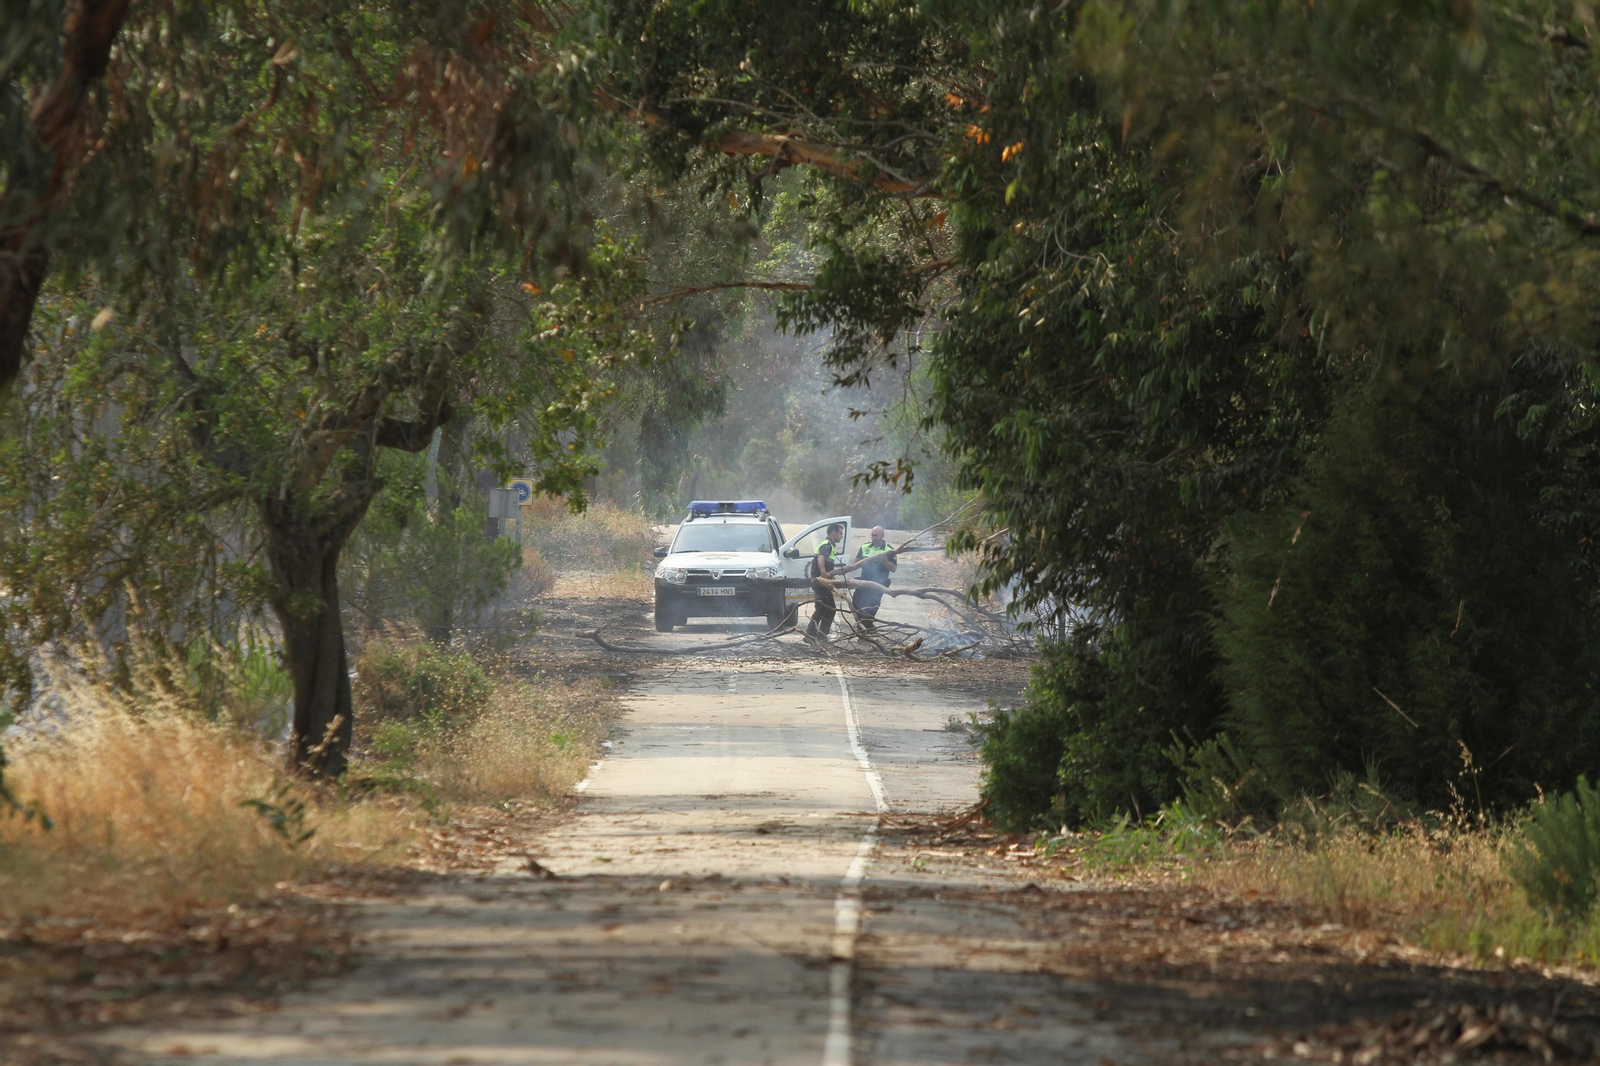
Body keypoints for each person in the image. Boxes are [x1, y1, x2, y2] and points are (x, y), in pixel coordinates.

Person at [851, 525, 899, 630]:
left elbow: (893, 568)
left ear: (882, 535)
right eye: (872, 535)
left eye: (876, 535)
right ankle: (868, 627)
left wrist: (884, 561)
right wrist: (845, 569)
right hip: (863, 581)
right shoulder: (865, 547)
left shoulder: (889, 550)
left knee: (871, 607)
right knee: (855, 603)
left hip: (879, 583)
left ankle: (864, 632)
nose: (874, 537)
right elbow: (856, 562)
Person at [806, 523, 845, 638]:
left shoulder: (831, 546)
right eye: (840, 533)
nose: (841, 536)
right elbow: (821, 558)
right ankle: (818, 635)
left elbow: (827, 564)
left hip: (822, 582)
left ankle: (812, 634)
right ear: (833, 533)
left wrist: (830, 577)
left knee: (822, 608)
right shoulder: (827, 545)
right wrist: (823, 573)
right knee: (830, 609)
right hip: (820, 583)